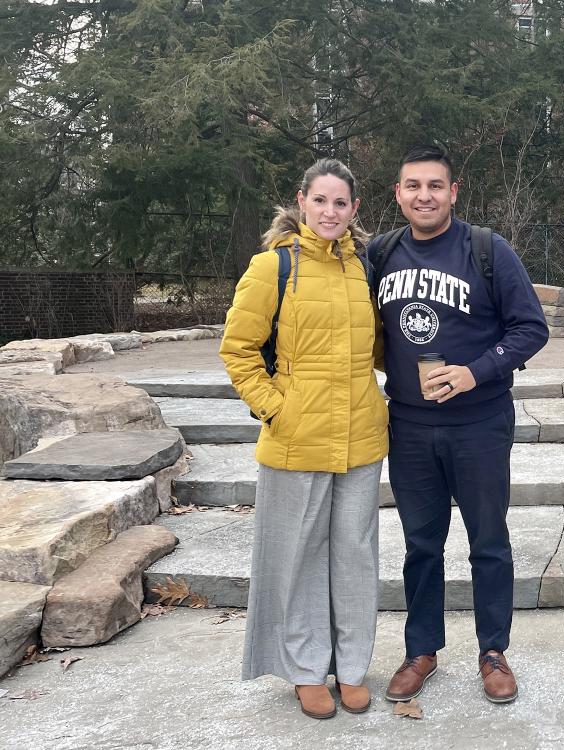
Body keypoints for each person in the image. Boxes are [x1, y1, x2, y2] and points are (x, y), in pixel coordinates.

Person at [370, 144, 549, 704]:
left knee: (488, 541)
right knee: (422, 543)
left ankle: (493, 650)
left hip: (479, 422)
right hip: (410, 425)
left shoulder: (487, 250)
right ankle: (422, 649)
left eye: (435, 186)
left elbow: (530, 329)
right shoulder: (381, 253)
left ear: (454, 191)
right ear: (398, 194)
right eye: (413, 186)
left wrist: (475, 373)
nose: (424, 196)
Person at [219, 158, 388, 720]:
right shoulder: (274, 267)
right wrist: (274, 410)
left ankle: (353, 665)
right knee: (300, 559)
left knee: (356, 558)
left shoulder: (365, 269)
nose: (331, 212)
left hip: (361, 438)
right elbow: (238, 350)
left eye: (341, 203)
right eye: (320, 201)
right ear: (301, 202)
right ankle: (307, 670)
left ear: (355, 209)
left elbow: (380, 348)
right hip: (296, 441)